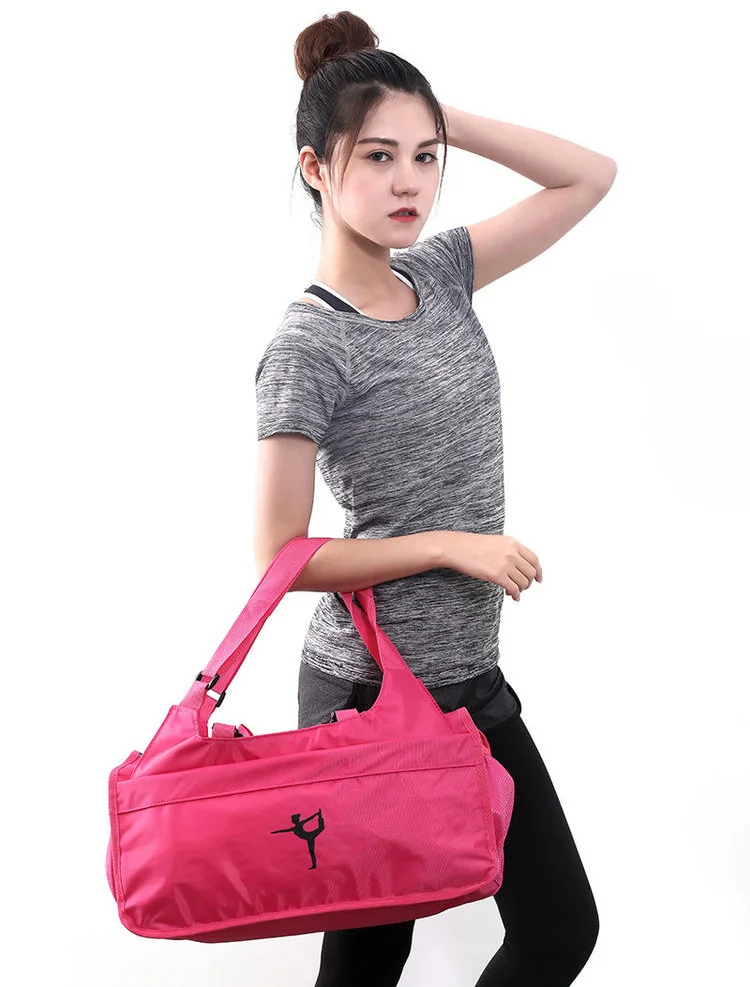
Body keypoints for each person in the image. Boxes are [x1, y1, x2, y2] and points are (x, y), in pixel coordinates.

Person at [254, 10, 614, 986]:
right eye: (377, 156)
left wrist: (433, 110)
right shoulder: (307, 344)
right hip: (368, 692)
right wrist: (450, 544)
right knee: (372, 955)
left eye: (425, 156)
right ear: (315, 169)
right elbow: (279, 557)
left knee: (558, 930)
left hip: (468, 676)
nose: (409, 180)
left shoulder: (443, 273)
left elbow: (589, 176)